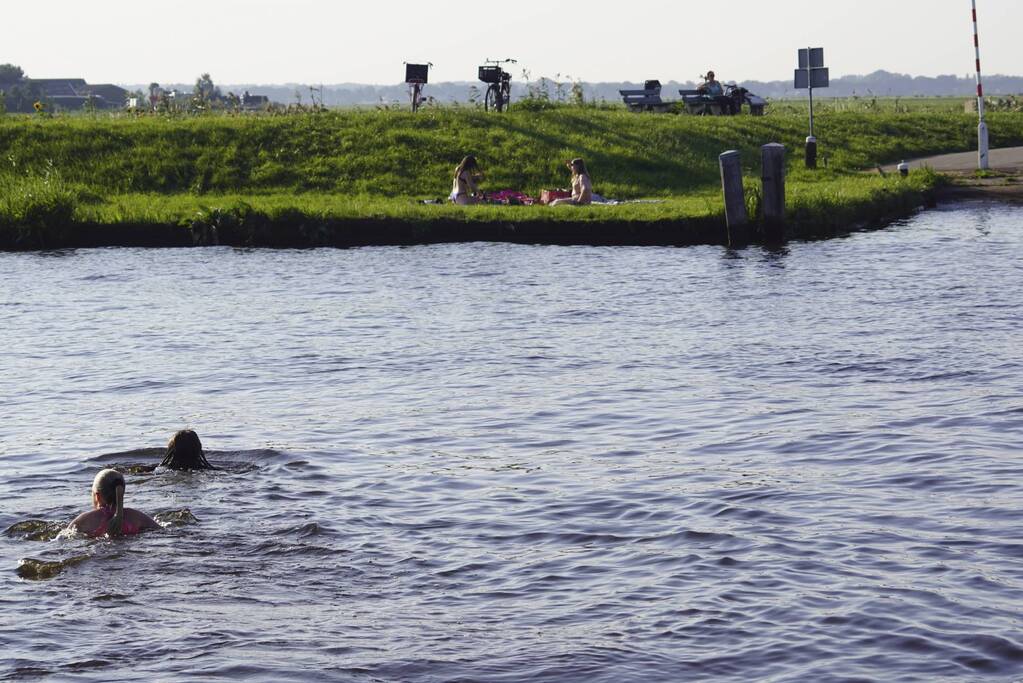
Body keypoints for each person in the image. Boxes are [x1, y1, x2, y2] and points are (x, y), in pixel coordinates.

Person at [67, 469, 161, 538]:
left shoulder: (85, 520)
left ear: (97, 496)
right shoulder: (136, 516)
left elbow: (64, 537)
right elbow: (161, 531)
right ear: (121, 493)